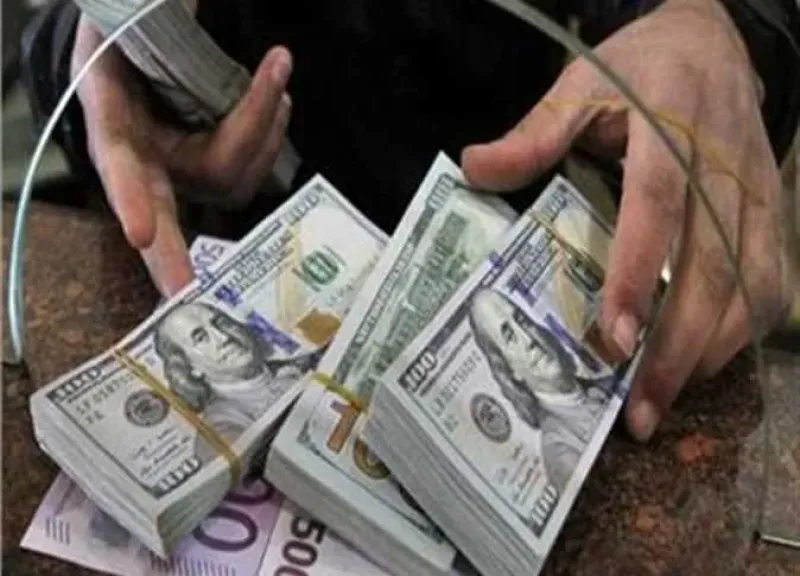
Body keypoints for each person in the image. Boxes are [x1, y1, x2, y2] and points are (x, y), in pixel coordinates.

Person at [22, 0, 799, 445]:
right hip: (224, 255)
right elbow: (59, 26)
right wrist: (103, 58)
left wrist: (718, 26)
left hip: (500, 249)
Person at [469, 287, 612, 492]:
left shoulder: (605, 384)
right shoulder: (562, 453)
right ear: (510, 370)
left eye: (521, 320)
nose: (528, 340)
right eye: (509, 337)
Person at [153, 301, 321, 461]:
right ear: (191, 368)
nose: (223, 337)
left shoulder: (300, 363)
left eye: (220, 323)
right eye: (201, 338)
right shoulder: (220, 431)